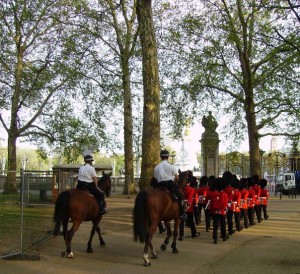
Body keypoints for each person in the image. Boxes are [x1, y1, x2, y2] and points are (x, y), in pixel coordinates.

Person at [153, 149, 185, 219]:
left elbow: (155, 178)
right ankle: (182, 214)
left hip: (159, 185)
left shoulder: (156, 167)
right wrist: (175, 182)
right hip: (169, 184)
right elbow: (177, 178)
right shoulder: (171, 166)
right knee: (180, 197)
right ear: (168, 157)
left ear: (161, 157)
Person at [210, 177, 229, 244]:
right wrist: (222, 209)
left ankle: (215, 238)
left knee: (215, 226)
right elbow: (225, 204)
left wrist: (212, 212)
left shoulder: (214, 194)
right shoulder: (225, 195)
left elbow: (212, 204)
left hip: (215, 211)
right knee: (223, 224)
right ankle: (224, 237)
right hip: (221, 212)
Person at [223, 171, 235, 235]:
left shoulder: (223, 188)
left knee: (223, 219)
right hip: (229, 205)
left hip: (223, 205)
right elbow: (230, 198)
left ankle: (223, 231)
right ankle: (230, 230)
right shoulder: (232, 189)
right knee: (229, 219)